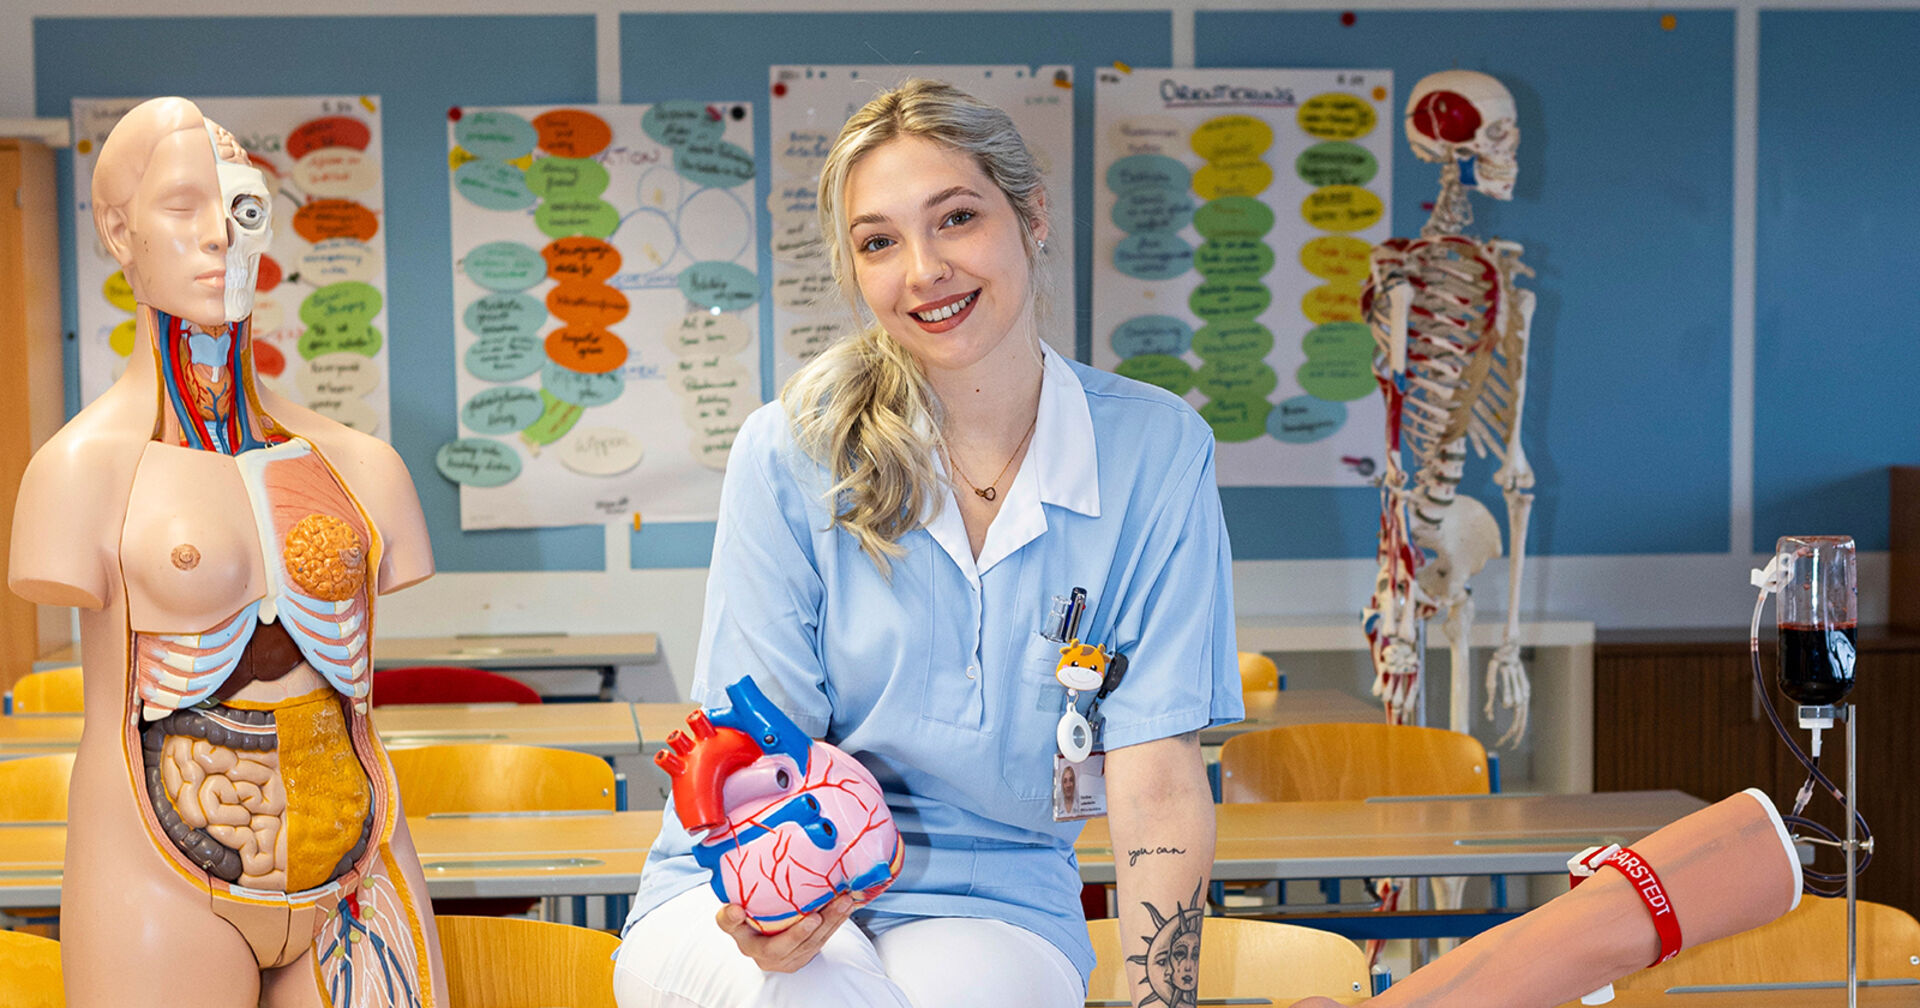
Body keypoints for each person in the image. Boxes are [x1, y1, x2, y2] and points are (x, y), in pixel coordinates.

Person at [613, 79, 1241, 1008]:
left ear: (1030, 216)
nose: (923, 270)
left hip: (995, 904)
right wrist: (771, 906)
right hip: (757, 888)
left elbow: (1156, 784)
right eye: (879, 242)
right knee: (805, 997)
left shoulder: (1156, 453)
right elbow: (752, 746)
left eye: (955, 219)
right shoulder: (791, 449)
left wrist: (1162, 1003)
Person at [7, 97, 443, 1007]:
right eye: (182, 207)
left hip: (356, 859)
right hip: (154, 867)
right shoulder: (79, 474)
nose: (219, 237)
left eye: (242, 209)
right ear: (119, 232)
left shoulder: (363, 467)